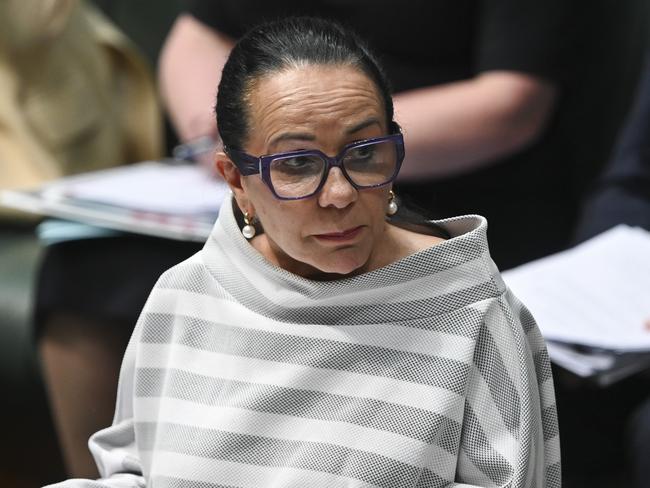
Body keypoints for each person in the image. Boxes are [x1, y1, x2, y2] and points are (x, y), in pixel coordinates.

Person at [46, 17, 559, 487]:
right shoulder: (187, 294)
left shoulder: (469, 313)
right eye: (297, 164)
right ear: (236, 180)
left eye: (364, 154)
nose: (339, 194)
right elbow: (137, 471)